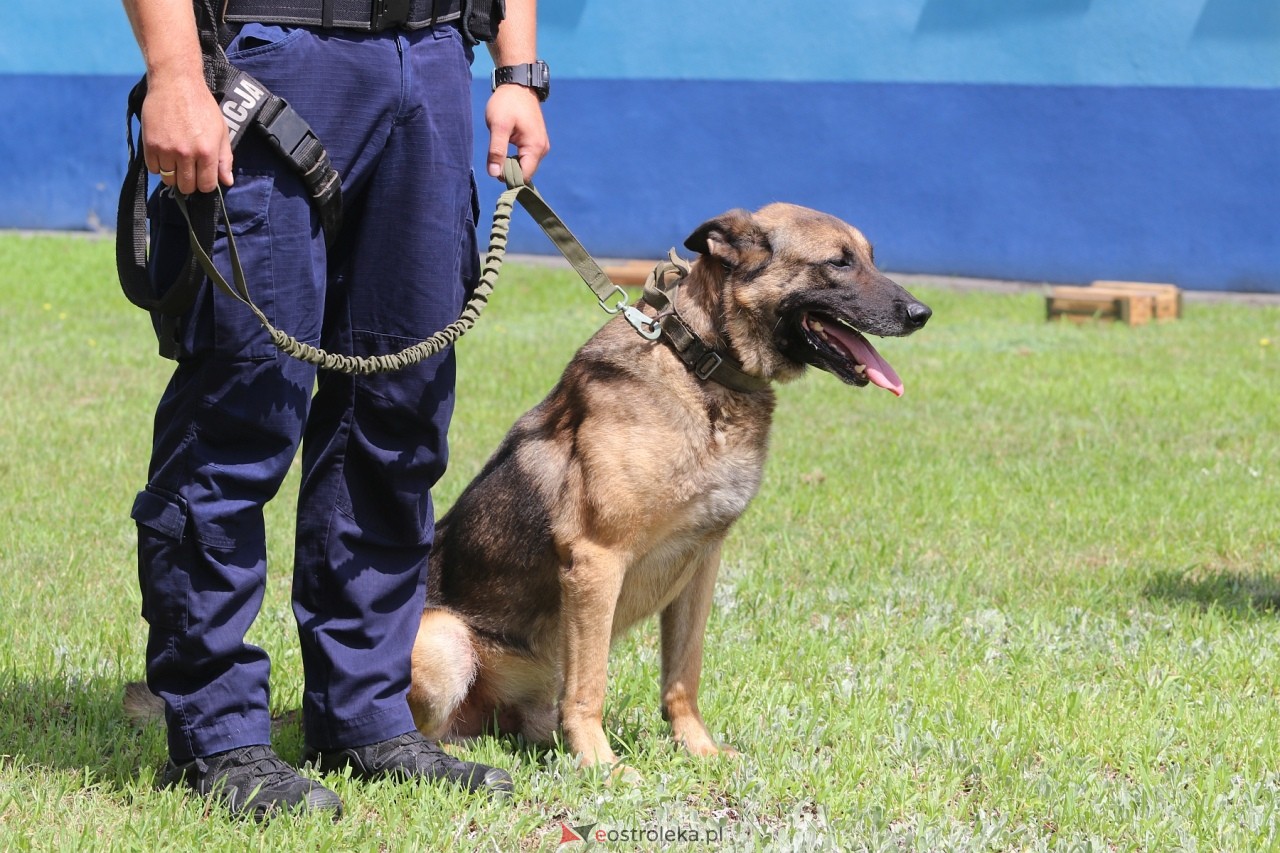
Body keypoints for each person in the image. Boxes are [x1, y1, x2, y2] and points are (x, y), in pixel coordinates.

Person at [119, 0, 549, 819]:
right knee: (242, 406)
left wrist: (518, 71)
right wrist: (174, 75)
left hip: (430, 56)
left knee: (399, 415)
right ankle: (216, 732)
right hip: (275, 51)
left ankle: (365, 716)